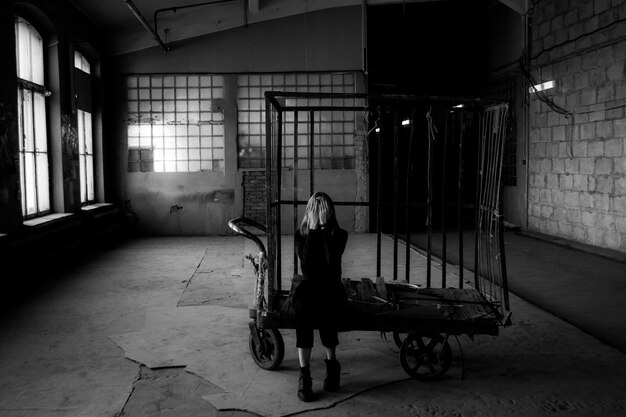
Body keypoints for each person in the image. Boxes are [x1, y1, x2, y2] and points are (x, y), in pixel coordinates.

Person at [293, 192, 348, 402]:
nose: (317, 215)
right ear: (309, 213)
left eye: (322, 211)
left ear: (329, 213)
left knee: (327, 304)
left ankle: (331, 364)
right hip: (309, 286)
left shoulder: (339, 235)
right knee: (303, 308)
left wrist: (324, 229)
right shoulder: (301, 235)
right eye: (314, 211)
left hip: (330, 286)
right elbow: (307, 267)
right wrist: (315, 230)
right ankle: (304, 375)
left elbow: (330, 262)